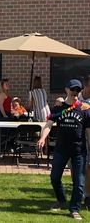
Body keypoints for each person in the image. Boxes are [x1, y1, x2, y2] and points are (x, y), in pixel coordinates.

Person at [37, 79, 90, 220]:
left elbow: (89, 132)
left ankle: (74, 209)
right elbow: (48, 124)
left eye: (78, 90)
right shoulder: (59, 107)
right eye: (73, 89)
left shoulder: (85, 109)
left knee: (79, 182)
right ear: (66, 90)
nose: (75, 92)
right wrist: (43, 138)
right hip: (61, 149)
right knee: (54, 178)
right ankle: (61, 200)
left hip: (79, 151)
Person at [78, 75, 90, 209]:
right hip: (78, 140)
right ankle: (80, 194)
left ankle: (87, 196)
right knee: (79, 169)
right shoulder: (76, 97)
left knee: (89, 168)